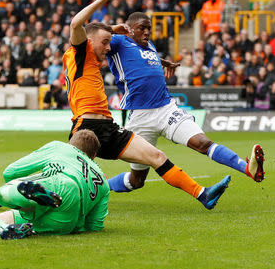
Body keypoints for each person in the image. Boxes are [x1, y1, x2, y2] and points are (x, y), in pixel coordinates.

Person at [64, 0, 231, 210]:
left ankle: (203, 194)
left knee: (157, 156)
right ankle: (26, 200)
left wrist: (113, 29)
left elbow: (98, 32)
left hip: (110, 129)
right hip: (86, 127)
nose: (108, 47)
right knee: (69, 181)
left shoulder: (92, 56)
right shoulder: (80, 52)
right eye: (104, 43)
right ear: (88, 41)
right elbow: (77, 24)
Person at [106, 11, 265, 195]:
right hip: (140, 117)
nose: (147, 32)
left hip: (166, 109)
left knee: (202, 143)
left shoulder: (148, 45)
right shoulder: (118, 42)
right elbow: (85, 34)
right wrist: (113, 29)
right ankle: (102, 187)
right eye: (141, 28)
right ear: (129, 29)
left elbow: (143, 59)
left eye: (149, 28)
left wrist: (165, 63)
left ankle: (248, 169)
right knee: (137, 180)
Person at [0, 130, 109, 239]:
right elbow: (95, 225)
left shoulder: (59, 147)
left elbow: (10, 172)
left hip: (59, 183)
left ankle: (18, 199)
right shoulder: (102, 179)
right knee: (27, 220)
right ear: (94, 156)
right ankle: (16, 227)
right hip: (67, 222)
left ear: (70, 144)